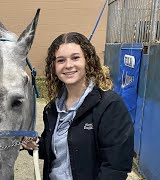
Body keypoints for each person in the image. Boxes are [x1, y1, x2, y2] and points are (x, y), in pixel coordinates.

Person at [22, 32, 134, 180]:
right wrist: (36, 145)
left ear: (87, 61)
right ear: (54, 67)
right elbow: (56, 149)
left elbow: (116, 167)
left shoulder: (109, 106)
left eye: (75, 58)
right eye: (61, 60)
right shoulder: (52, 109)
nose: (68, 65)